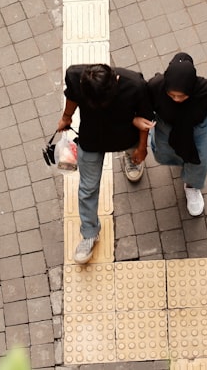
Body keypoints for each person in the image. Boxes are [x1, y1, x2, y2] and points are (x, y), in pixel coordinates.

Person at [58, 63, 152, 263]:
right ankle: (90, 233)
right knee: (87, 189)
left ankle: (131, 157)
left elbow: (145, 118)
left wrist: (142, 148)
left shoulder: (136, 84)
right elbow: (72, 96)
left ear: (116, 81)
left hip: (125, 136)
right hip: (91, 140)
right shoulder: (76, 77)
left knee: (131, 150)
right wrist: (66, 117)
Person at [145, 53, 207, 216]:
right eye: (171, 95)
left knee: (199, 162)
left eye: (182, 95)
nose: (176, 99)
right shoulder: (156, 86)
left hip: (197, 130)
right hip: (166, 128)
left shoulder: (206, 90)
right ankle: (182, 165)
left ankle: (191, 186)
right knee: (168, 152)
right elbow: (143, 102)